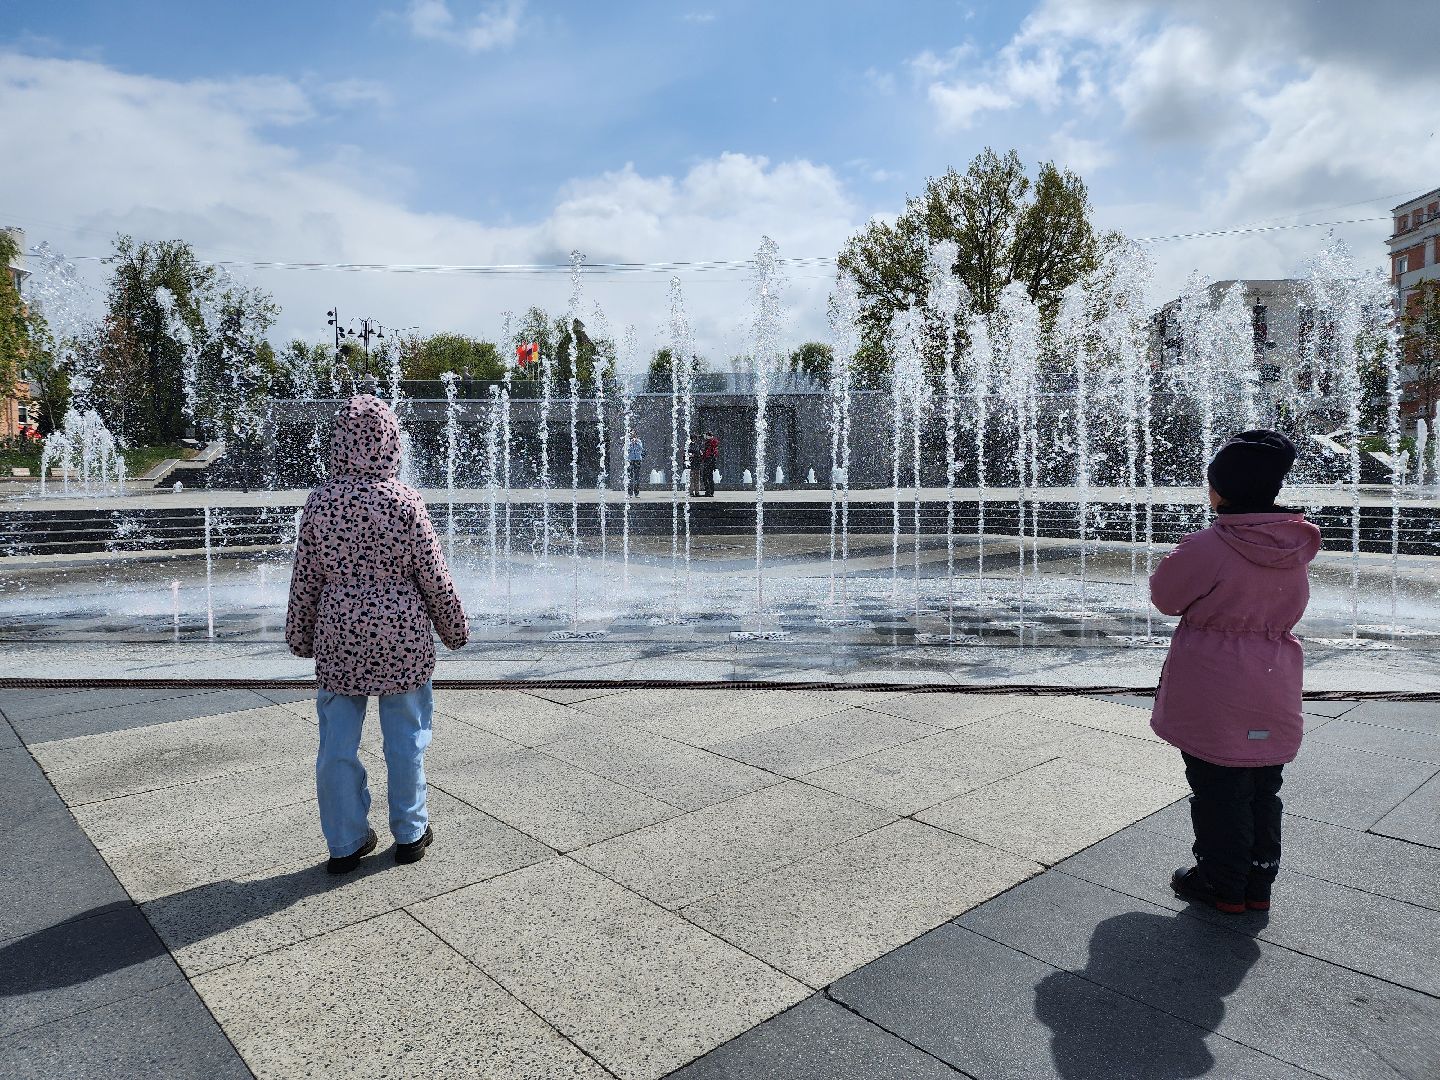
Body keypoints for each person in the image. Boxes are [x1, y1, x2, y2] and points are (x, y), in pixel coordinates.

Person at [286, 395, 469, 874]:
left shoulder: (320, 502)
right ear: (391, 444)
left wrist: (300, 634)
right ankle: (409, 832)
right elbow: (433, 574)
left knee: (336, 742)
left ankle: (345, 841)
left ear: (339, 444)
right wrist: (453, 626)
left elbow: (306, 576)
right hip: (400, 632)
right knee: (406, 735)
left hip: (340, 633)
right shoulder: (404, 501)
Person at [1149, 430, 1320, 914]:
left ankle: (1221, 882)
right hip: (1273, 679)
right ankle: (1257, 882)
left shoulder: (1210, 545)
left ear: (1220, 489)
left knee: (1217, 785)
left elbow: (1166, 597)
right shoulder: (1292, 544)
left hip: (1214, 685)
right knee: (1264, 785)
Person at [701, 430, 719, 496]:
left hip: (709, 461)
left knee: (705, 477)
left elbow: (709, 453)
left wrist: (703, 456)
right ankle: (710, 491)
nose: (705, 436)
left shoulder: (710, 443)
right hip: (711, 462)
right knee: (709, 477)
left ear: (709, 436)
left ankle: (708, 491)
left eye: (706, 435)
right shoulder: (712, 443)